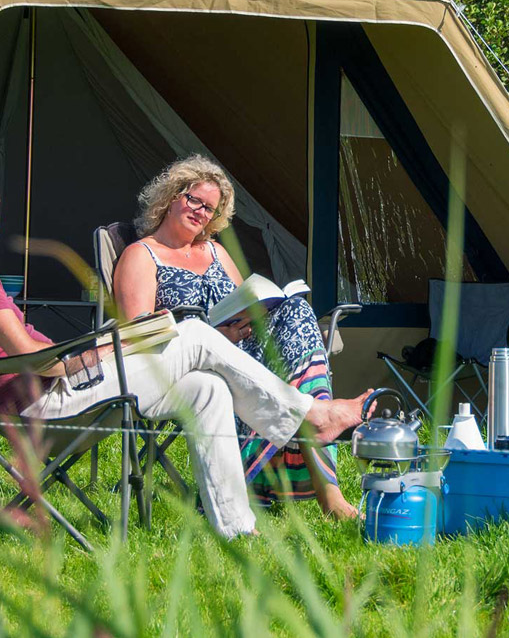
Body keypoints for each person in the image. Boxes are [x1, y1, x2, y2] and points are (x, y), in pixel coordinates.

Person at [0, 149, 366, 539]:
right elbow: (30, 356)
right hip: (41, 409)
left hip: (45, 391)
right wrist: (99, 351)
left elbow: (27, 352)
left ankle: (237, 528)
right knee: (196, 334)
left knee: (207, 389)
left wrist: (96, 349)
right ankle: (314, 416)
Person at [113, 155, 358, 519]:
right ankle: (326, 484)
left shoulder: (215, 251)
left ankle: (326, 489)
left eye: (209, 209)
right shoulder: (141, 255)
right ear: (170, 197)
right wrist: (214, 337)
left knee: (297, 311)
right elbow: (139, 335)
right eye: (193, 199)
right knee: (288, 373)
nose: (200, 212)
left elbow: (246, 301)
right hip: (189, 362)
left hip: (242, 348)